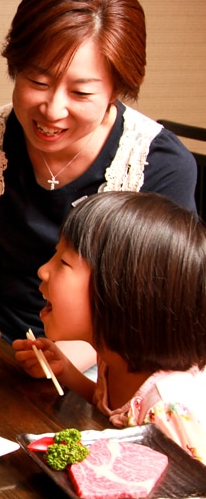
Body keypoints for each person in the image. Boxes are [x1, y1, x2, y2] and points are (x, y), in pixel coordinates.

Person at [0, 0, 197, 368]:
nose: (52, 109)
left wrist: (71, 356)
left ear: (116, 88)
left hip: (107, 367)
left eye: (80, 92)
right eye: (38, 81)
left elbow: (155, 320)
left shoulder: (160, 167)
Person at [17, 192, 205, 465]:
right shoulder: (113, 357)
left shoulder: (168, 409)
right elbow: (110, 405)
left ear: (124, 292)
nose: (43, 271)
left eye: (64, 262)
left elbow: (192, 493)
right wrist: (66, 371)